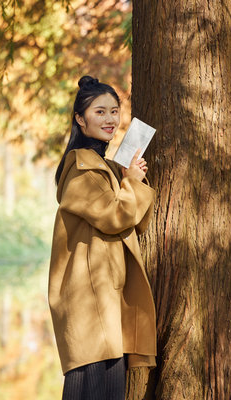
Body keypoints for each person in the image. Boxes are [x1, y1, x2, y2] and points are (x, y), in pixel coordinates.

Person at [48, 75, 157, 400]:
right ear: (80, 119)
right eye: (100, 112)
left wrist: (128, 178)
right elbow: (114, 217)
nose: (110, 119)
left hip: (105, 301)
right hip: (90, 305)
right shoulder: (83, 170)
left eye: (114, 111)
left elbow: (131, 224)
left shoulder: (104, 166)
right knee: (93, 389)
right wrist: (133, 183)